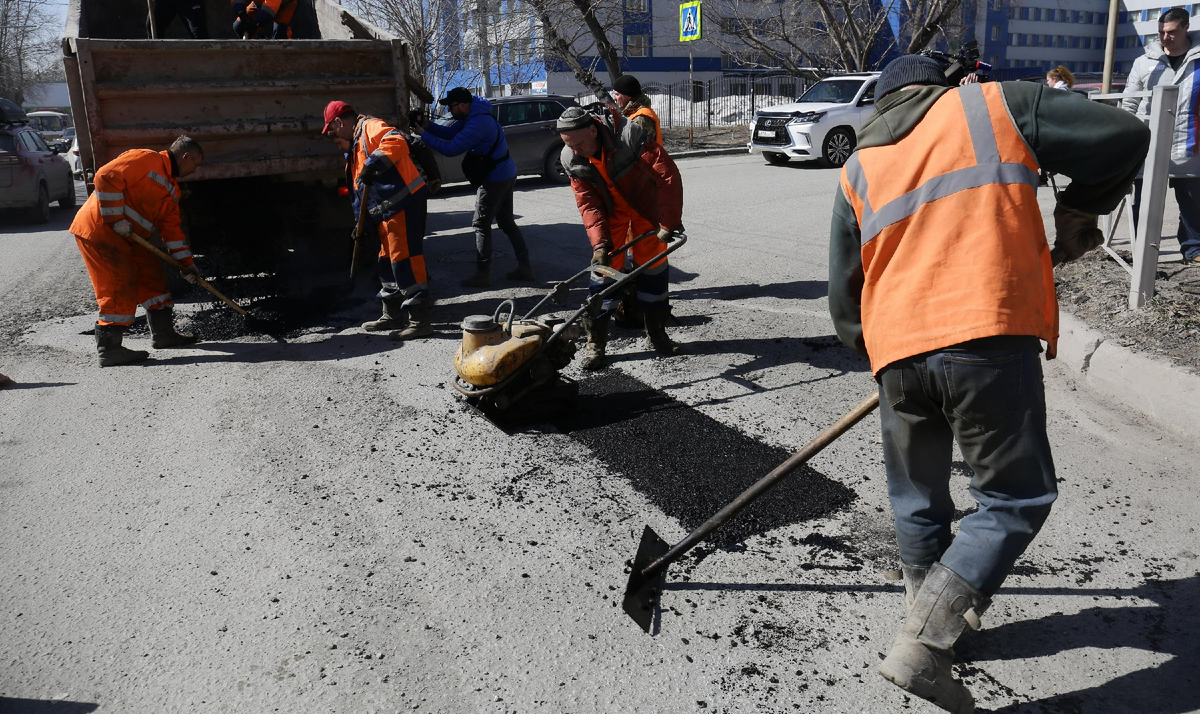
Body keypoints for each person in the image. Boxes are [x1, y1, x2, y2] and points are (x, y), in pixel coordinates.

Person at [828, 55, 1149, 713]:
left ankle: (932, 619)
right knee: (1014, 497)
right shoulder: (991, 105)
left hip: (897, 348)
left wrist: (884, 355)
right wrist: (1080, 210)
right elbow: (1126, 137)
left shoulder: (857, 165)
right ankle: (925, 643)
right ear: (938, 88)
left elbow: (843, 288)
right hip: (982, 330)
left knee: (916, 499)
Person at [556, 104, 684, 370]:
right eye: (569, 145)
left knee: (653, 270)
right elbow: (588, 204)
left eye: (578, 144)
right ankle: (596, 344)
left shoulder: (629, 136)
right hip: (612, 214)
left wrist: (667, 223)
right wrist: (600, 244)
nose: (574, 150)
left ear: (593, 130)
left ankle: (657, 334)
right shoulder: (571, 157)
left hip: (643, 210)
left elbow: (667, 175)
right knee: (603, 275)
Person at [71, 136, 207, 367]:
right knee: (119, 285)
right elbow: (105, 175)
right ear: (186, 156)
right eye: (196, 163)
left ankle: (163, 335)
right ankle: (109, 349)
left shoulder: (172, 190)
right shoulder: (145, 159)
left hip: (130, 239)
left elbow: (172, 232)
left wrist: (186, 264)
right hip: (101, 231)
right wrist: (115, 220)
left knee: (153, 278)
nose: (195, 170)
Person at [323, 100, 432, 340]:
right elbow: (359, 191)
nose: (334, 134)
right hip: (385, 214)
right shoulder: (353, 148)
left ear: (340, 122)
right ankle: (392, 315)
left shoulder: (370, 127)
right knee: (386, 262)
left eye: (333, 129)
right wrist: (360, 225)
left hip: (402, 205)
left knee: (405, 260)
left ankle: (419, 320)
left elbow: (397, 141)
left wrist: (374, 164)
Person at [412, 87, 533, 287]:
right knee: (506, 222)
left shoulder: (478, 122)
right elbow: (451, 133)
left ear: (463, 105)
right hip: (504, 173)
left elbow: (451, 149)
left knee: (481, 224)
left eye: (451, 107)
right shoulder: (474, 113)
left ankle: (483, 274)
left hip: (496, 178)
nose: (449, 112)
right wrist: (428, 126)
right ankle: (525, 267)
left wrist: (424, 135)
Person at [1123, 7, 1200, 266]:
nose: (1165, 37)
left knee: (1193, 203)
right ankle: (1141, 250)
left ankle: (1193, 250)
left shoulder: (1198, 59)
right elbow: (1130, 103)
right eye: (1161, 32)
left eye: (1171, 32)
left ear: (1186, 27)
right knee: (1143, 203)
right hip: (1149, 145)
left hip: (1189, 144)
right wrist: (1125, 136)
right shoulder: (1145, 62)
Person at [612, 74, 662, 145]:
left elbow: (644, 152)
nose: (614, 98)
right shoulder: (632, 113)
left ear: (628, 96)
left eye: (617, 94)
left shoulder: (641, 117)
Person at [231, 0, 296, 39]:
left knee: (281, 35)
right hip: (261, 3)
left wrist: (255, 24)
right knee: (240, 26)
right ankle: (256, 51)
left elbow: (270, 8)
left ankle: (284, 59)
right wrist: (241, 12)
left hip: (286, 3)